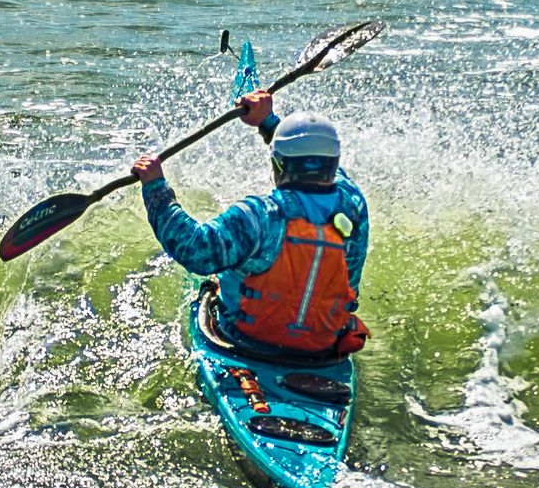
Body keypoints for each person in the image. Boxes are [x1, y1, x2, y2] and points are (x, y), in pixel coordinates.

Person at [130, 89, 369, 358]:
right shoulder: (353, 204)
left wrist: (155, 189)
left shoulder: (259, 215)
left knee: (221, 272)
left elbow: (194, 250)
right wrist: (268, 122)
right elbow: (317, 160)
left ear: (278, 165)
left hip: (244, 340)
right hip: (323, 347)